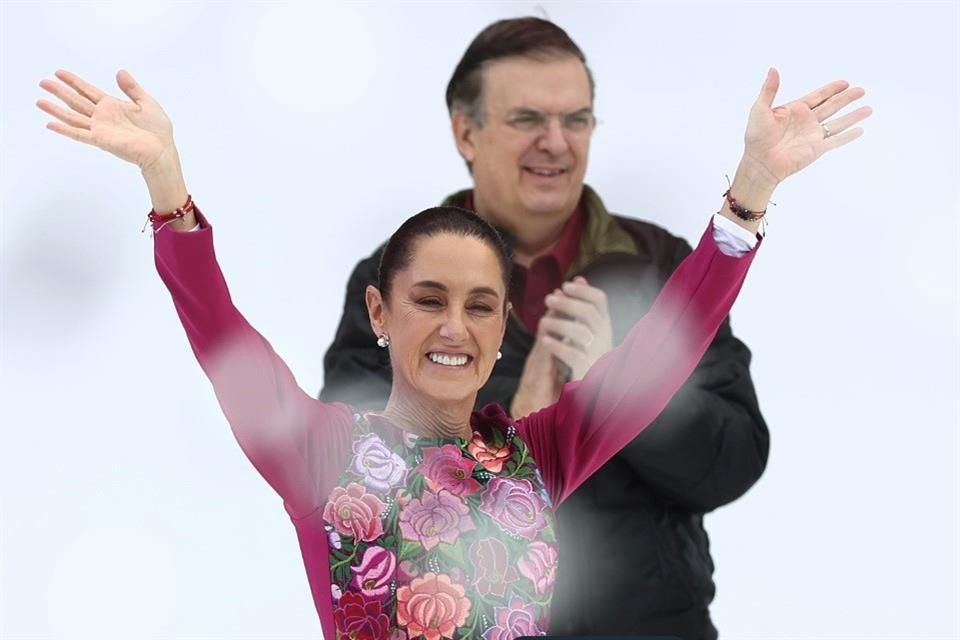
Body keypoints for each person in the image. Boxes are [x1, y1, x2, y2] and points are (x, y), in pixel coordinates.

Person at [36, 58, 867, 639]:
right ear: (380, 312)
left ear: (502, 326)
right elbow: (217, 327)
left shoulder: (537, 457)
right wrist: (164, 179)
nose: (453, 328)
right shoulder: (318, 451)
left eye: (479, 307)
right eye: (428, 300)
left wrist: (751, 190)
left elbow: (663, 352)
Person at [318, 18, 861, 638]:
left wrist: (626, 384)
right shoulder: (396, 278)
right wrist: (513, 418)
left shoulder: (661, 266)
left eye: (576, 119)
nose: (557, 142)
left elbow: (732, 461)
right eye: (528, 119)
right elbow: (350, 480)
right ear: (466, 131)